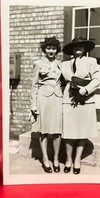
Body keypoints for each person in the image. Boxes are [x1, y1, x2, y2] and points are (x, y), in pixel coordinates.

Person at [61, 36, 100, 174]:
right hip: (68, 99)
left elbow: (97, 79)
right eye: (76, 46)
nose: (78, 48)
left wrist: (85, 90)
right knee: (68, 131)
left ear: (84, 49)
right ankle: (68, 160)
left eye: (81, 46)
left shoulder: (91, 61)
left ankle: (77, 160)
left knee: (82, 131)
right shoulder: (64, 64)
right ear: (72, 49)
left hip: (86, 99)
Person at [30, 36, 63, 173]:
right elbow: (34, 85)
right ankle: (45, 159)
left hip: (57, 98)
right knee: (43, 130)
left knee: (57, 131)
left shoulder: (61, 63)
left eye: (53, 48)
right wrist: (33, 105)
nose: (51, 51)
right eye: (48, 48)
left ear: (57, 50)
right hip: (43, 98)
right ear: (44, 49)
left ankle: (55, 158)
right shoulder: (38, 63)